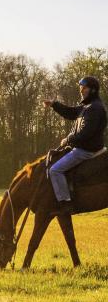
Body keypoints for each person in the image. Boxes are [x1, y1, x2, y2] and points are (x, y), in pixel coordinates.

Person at [43, 76, 107, 215]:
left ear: (93, 90)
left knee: (55, 170)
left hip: (86, 151)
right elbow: (71, 112)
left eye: (84, 88)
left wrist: (68, 139)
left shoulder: (95, 108)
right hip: (81, 148)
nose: (81, 90)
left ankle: (66, 203)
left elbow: (86, 133)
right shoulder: (87, 106)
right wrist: (54, 104)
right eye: (80, 87)